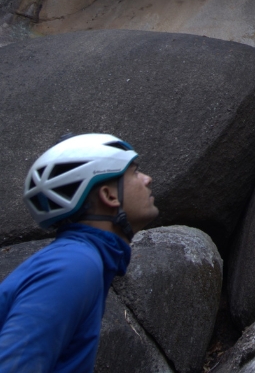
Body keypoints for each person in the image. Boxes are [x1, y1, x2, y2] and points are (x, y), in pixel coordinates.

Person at [0, 134, 159, 373]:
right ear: (109, 196)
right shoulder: (73, 265)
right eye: (135, 172)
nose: (147, 179)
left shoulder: (78, 259)